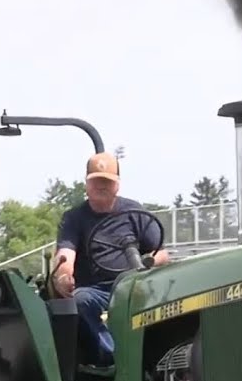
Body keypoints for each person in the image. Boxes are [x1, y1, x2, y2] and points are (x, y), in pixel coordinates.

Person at [52, 152, 170, 366]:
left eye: (107, 181)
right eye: (96, 181)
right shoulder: (74, 218)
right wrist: (63, 276)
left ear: (117, 185)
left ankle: (159, 360)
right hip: (96, 290)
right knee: (80, 300)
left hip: (134, 286)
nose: (101, 186)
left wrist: (147, 263)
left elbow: (161, 253)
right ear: (87, 184)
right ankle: (113, 359)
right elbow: (65, 256)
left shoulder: (134, 212)